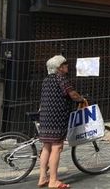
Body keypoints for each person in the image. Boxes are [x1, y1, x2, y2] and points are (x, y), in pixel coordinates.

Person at [38, 55, 85, 189]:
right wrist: (81, 99)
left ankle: (42, 177)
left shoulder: (46, 80)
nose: (67, 66)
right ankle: (53, 181)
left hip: (45, 117)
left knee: (46, 146)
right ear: (59, 68)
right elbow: (72, 95)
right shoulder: (61, 79)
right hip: (56, 117)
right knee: (57, 147)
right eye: (65, 64)